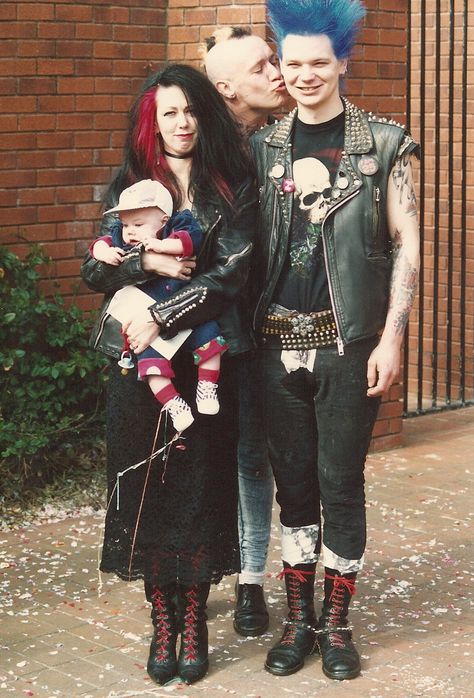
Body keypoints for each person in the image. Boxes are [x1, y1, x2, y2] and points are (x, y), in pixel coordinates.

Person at [250, 0, 420, 682]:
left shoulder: (383, 144)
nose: (306, 75)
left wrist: (392, 337)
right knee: (293, 489)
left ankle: (338, 623)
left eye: (320, 62)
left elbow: (408, 243)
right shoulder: (261, 145)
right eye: (293, 63)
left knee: (339, 484)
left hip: (348, 345)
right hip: (272, 345)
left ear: (343, 62)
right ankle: (298, 621)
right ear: (282, 65)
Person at [81, 63, 256, 686]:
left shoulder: (230, 186)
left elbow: (230, 274)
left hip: (205, 363)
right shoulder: (129, 185)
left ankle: (196, 617)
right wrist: (147, 257)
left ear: (204, 115)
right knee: (150, 485)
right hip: (137, 366)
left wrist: (163, 312)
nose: (181, 123)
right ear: (151, 121)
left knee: (201, 482)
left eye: (190, 111)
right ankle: (163, 617)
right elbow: (94, 272)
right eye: (169, 113)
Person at [202, 27, 288, 638]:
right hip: (208, 332)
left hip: (263, 335)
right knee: (204, 457)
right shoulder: (200, 159)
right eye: (262, 65)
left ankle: (251, 582)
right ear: (226, 88)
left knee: (252, 460)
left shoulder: (278, 145)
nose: (277, 70)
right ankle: (197, 571)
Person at [92, 178, 228, 432]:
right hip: (145, 322)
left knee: (211, 343)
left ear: (164, 221)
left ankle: (207, 386)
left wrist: (160, 246)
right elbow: (98, 247)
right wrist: (104, 253)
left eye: (138, 224)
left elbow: (188, 243)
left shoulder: (178, 225)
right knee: (151, 367)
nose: (129, 231)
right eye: (125, 225)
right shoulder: (125, 240)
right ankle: (173, 404)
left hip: (186, 312)